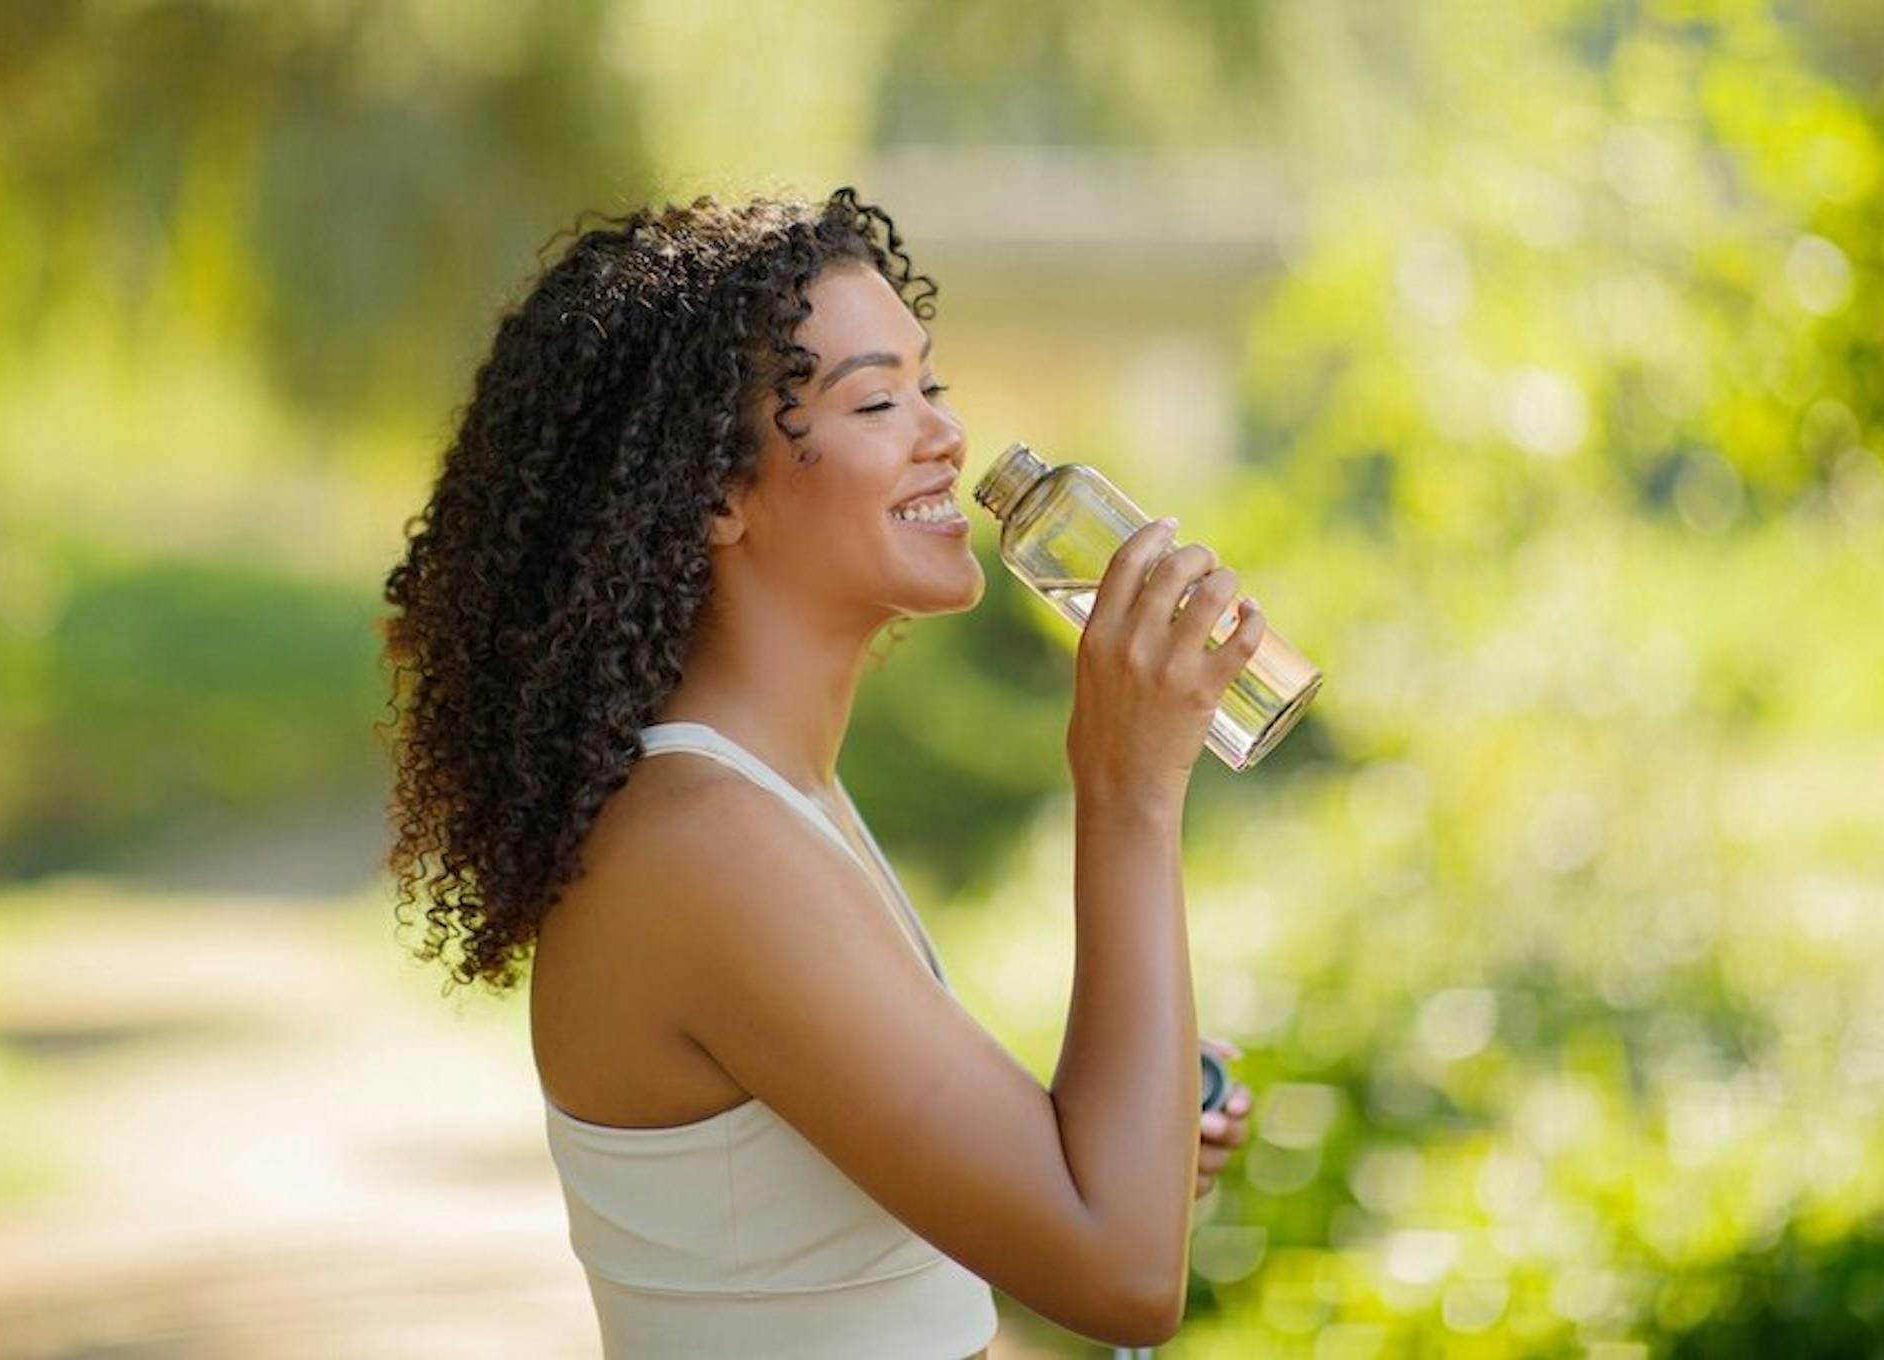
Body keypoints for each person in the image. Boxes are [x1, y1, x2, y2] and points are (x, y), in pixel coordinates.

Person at [379, 186, 1259, 1357]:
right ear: (716, 491)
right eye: (878, 399)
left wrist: (1134, 1134)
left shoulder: (767, 801)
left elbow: (1065, 1206)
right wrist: (1127, 791)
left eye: (930, 385)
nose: (944, 433)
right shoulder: (705, 847)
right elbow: (1122, 1274)